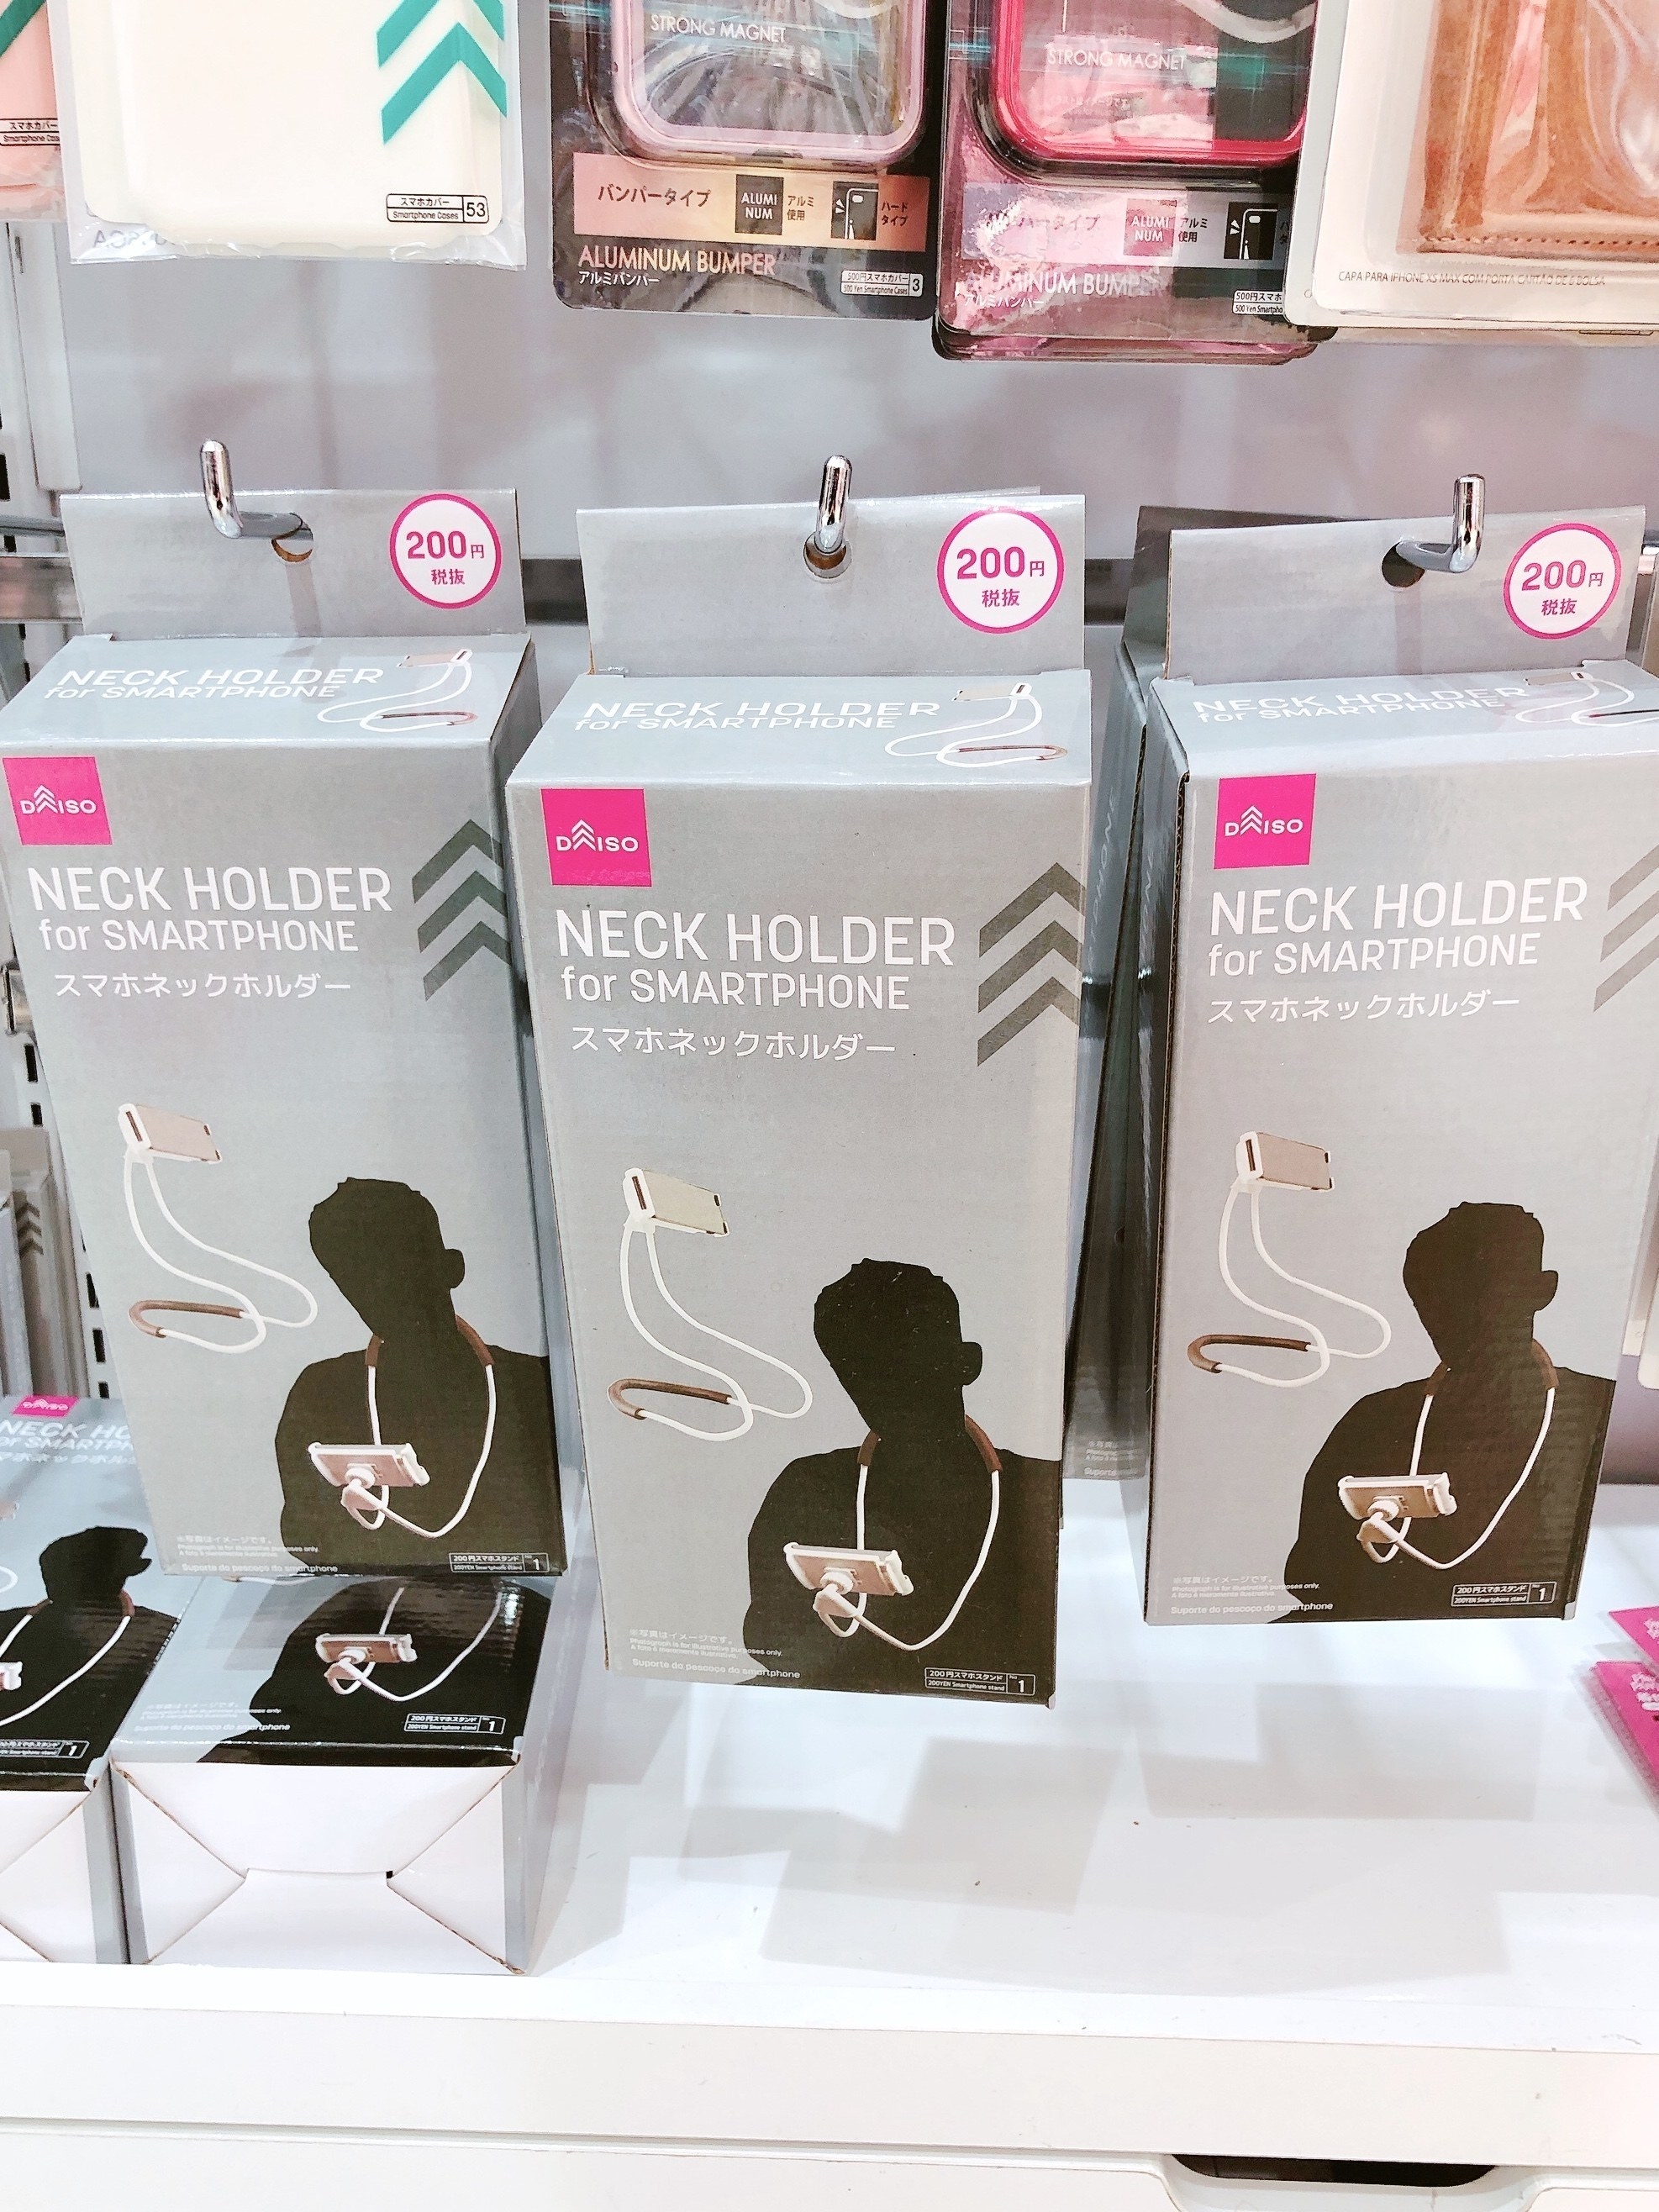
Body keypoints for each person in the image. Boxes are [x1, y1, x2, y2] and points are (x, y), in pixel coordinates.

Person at [1280, 1203, 1613, 1621]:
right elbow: (1310, 1577)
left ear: (1543, 1290)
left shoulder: (1597, 1406)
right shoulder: (1374, 1419)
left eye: (1479, 1289)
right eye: (1431, 1294)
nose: (1450, 1314)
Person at [744, 1258, 1058, 1696]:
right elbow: (773, 1646)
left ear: (967, 1363)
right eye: (862, 1369)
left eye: (911, 1358)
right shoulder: (808, 1487)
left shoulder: (1040, 1490)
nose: (888, 1386)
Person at [276, 1179, 560, 1572]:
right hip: (375, 1598)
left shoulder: (535, 1384)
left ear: (451, 1267)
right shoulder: (321, 1392)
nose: (380, 1290)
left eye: (399, 1265)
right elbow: (307, 1538)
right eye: (355, 1276)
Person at [208, 1574, 550, 1766]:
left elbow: (531, 1745)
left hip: (451, 1779)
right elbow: (281, 1711)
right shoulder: (357, 1601)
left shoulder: (529, 1618)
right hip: (307, 1763)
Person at [0, 1525, 177, 1761]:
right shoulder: (8, 1624)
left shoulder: (159, 1632)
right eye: (52, 1572)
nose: (55, 1581)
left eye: (74, 1572)